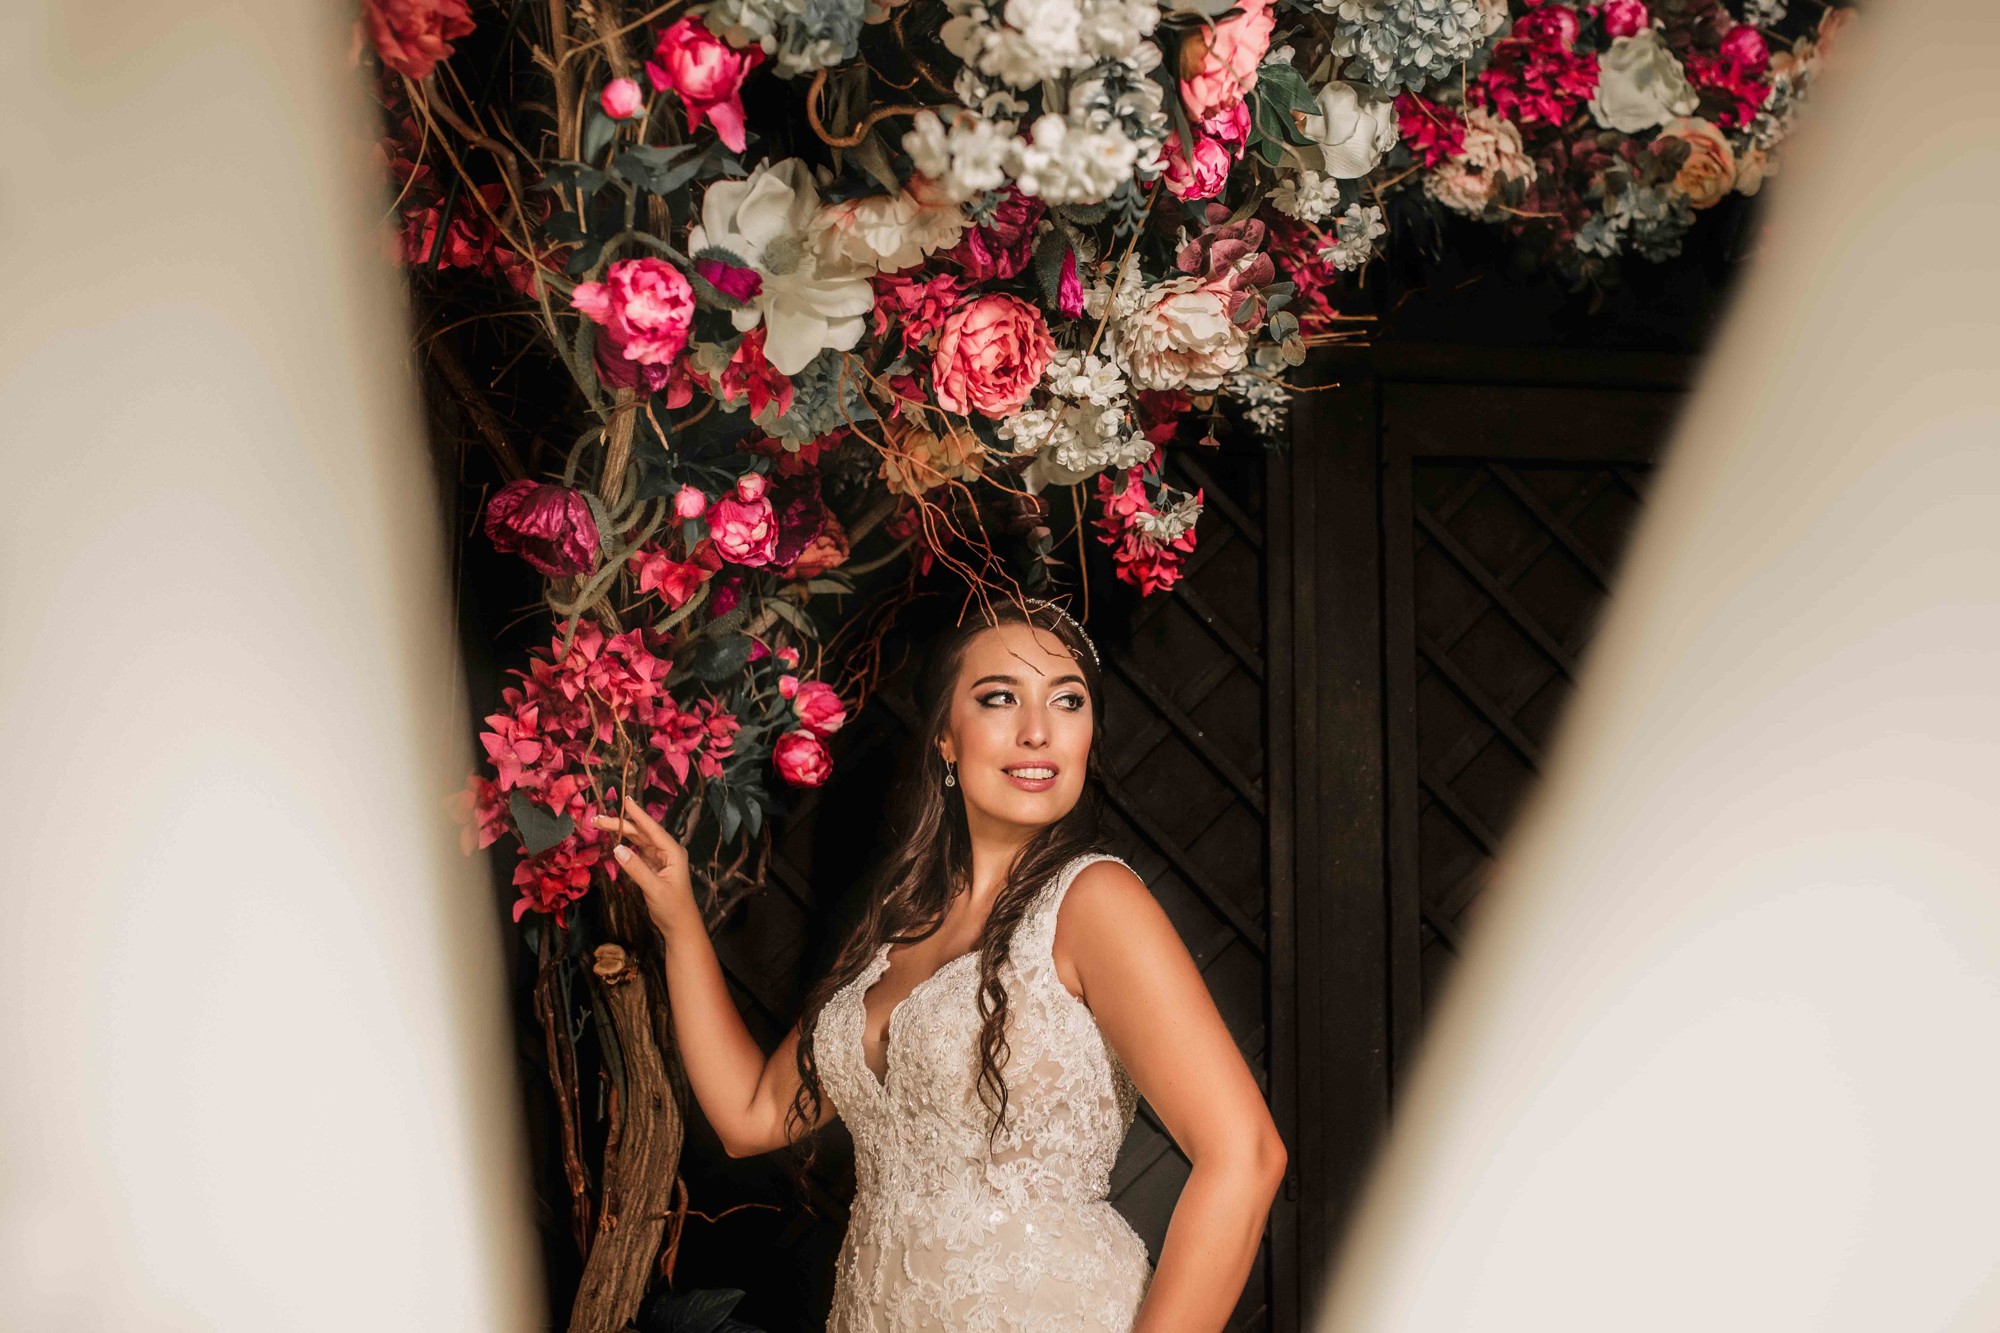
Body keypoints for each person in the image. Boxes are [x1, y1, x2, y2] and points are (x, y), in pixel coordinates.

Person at [595, 598, 1286, 1331]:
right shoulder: (897, 927)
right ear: (946, 741)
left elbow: (1245, 1155)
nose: (1038, 731)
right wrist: (679, 923)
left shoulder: (1093, 901)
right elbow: (752, 1113)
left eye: (1069, 701)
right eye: (999, 698)